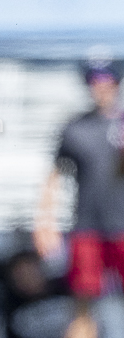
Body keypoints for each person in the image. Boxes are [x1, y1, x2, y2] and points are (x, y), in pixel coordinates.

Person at [33, 59, 124, 338]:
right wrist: (44, 223)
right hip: (87, 227)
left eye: (106, 81)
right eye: (94, 82)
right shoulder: (75, 128)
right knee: (83, 305)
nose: (100, 88)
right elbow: (55, 176)